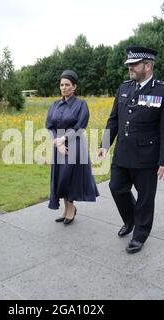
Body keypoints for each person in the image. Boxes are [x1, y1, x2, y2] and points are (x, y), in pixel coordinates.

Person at [97, 46, 164, 254]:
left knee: (145, 198)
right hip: (123, 153)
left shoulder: (163, 91)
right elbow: (113, 119)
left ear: (148, 66)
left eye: (134, 65)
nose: (130, 68)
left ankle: (140, 235)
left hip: (146, 158)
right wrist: (105, 144)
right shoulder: (124, 88)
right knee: (116, 187)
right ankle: (131, 220)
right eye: (129, 65)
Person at [46, 70, 99, 225]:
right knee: (60, 178)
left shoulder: (81, 104)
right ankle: (66, 209)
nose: (64, 88)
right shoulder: (55, 105)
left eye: (67, 85)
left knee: (69, 177)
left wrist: (63, 139)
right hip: (59, 146)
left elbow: (80, 126)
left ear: (74, 87)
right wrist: (57, 141)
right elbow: (49, 125)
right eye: (62, 85)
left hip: (74, 144)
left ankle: (71, 209)